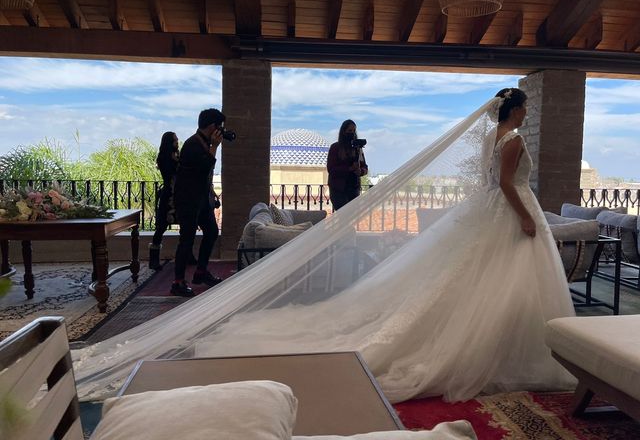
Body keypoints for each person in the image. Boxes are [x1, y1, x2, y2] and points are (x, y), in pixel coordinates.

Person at [73, 90, 577, 404]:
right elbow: (509, 185)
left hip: (489, 213)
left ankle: (501, 337)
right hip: (509, 213)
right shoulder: (510, 140)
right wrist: (524, 220)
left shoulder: (493, 137)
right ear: (517, 110)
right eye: (527, 106)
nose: (530, 111)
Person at [171, 109, 225, 297]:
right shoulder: (192, 144)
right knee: (186, 239)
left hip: (202, 199)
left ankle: (201, 272)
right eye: (220, 126)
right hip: (188, 200)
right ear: (212, 126)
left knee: (211, 231)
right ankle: (177, 282)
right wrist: (215, 147)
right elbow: (203, 168)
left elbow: (205, 175)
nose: (221, 130)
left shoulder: (204, 142)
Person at [148, 132, 179, 271]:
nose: (177, 141)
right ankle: (153, 260)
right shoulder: (164, 158)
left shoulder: (175, 156)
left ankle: (187, 254)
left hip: (177, 194)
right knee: (161, 226)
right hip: (169, 195)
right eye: (175, 139)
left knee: (184, 224)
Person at [327, 119, 368, 210]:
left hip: (353, 189)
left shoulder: (357, 148)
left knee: (352, 217)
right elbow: (331, 169)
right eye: (349, 131)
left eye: (354, 131)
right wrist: (349, 169)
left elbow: (364, 167)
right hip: (338, 189)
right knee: (343, 217)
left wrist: (360, 171)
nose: (352, 133)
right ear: (343, 131)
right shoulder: (335, 148)